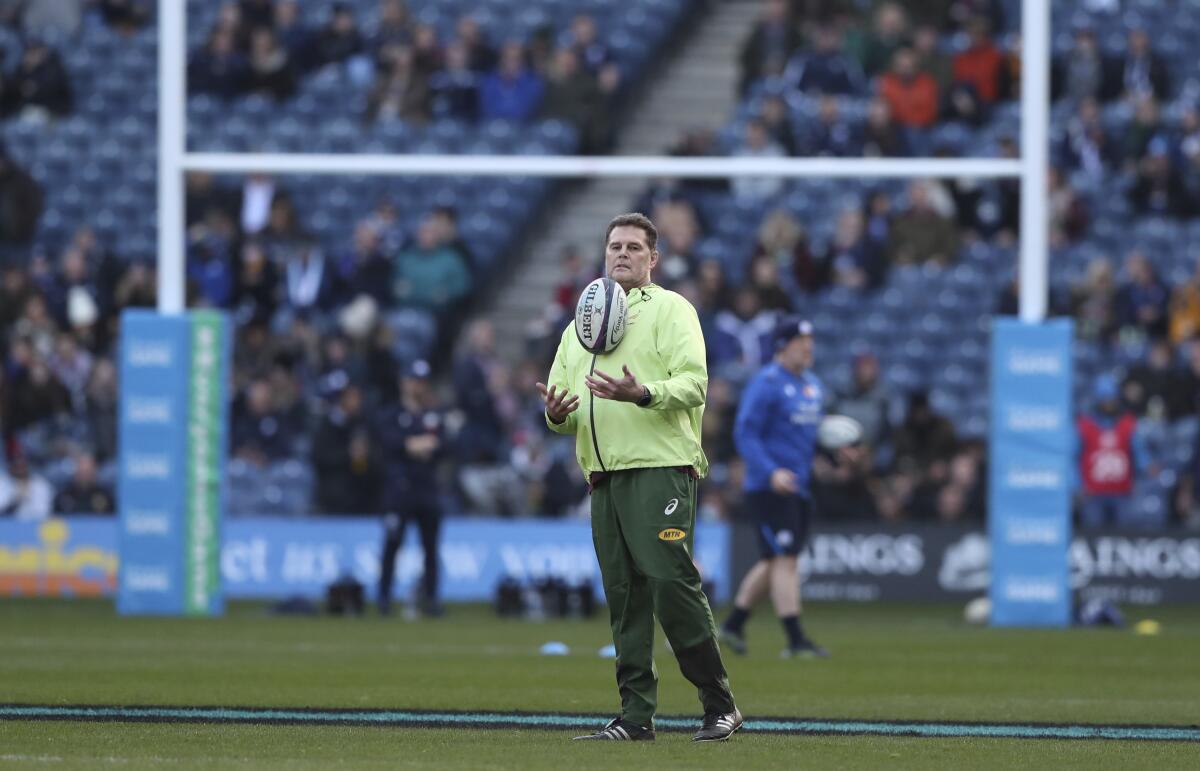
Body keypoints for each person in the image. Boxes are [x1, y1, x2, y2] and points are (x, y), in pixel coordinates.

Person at [538, 212, 741, 742]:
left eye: (633, 247)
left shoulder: (674, 310)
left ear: (654, 259)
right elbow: (563, 410)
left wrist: (643, 393)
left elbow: (695, 384)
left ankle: (719, 703)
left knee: (672, 583)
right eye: (614, 246)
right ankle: (635, 718)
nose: (622, 253)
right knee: (624, 596)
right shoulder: (579, 326)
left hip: (660, 470)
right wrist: (557, 414)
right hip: (603, 478)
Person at [719, 317, 829, 659]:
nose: (808, 348)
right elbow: (745, 433)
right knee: (786, 560)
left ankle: (732, 626)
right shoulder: (766, 383)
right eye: (800, 342)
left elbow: (812, 436)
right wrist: (771, 472)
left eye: (810, 342)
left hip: (799, 487)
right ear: (783, 346)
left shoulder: (812, 385)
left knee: (773, 562)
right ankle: (796, 640)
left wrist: (838, 455)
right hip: (769, 488)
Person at [377, 360, 446, 618]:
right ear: (404, 383)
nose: (419, 386)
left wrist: (427, 446)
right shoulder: (392, 414)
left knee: (430, 548)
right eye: (415, 381)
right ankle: (383, 598)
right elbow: (385, 442)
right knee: (392, 544)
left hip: (427, 488)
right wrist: (411, 445)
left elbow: (446, 445)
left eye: (423, 381)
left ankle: (431, 599)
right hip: (399, 489)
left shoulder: (434, 414)